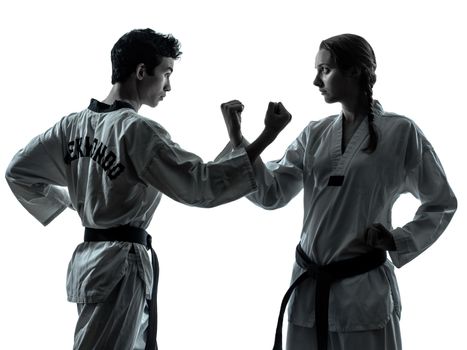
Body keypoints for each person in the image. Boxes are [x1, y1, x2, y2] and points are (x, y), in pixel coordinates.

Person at [5, 28, 291, 350]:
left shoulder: (71, 126)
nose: (169, 86)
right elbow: (200, 186)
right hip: (119, 267)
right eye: (166, 73)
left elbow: (19, 171)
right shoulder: (136, 130)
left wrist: (76, 202)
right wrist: (268, 135)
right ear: (142, 72)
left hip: (90, 263)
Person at [220, 34, 457, 350]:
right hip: (308, 288)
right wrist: (239, 139)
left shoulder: (400, 132)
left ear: (355, 71)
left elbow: (441, 202)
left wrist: (397, 239)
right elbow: (272, 194)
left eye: (325, 70)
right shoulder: (315, 133)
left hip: (362, 292)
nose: (316, 80)